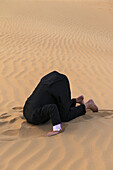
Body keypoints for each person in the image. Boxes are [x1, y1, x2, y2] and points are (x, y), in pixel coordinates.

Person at [23, 71, 98, 137]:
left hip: (59, 84)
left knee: (65, 116)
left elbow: (52, 107)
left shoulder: (35, 116)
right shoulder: (28, 113)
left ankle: (88, 105)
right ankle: (77, 100)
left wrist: (56, 129)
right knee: (58, 107)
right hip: (48, 81)